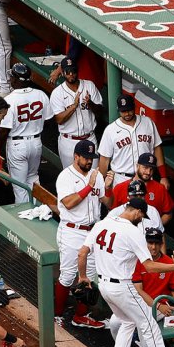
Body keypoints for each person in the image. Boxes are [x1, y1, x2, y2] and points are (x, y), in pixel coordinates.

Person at [77, 200, 174, 347]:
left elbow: (82, 253)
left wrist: (83, 276)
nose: (141, 220)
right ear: (137, 212)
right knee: (150, 327)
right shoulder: (132, 231)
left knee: (127, 321)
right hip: (123, 287)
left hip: (103, 286)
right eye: (142, 216)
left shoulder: (102, 223)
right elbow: (149, 266)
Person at [54, 140, 111, 329]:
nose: (89, 161)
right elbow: (69, 203)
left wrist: (108, 187)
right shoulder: (65, 177)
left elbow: (107, 202)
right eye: (86, 158)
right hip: (71, 230)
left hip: (92, 231)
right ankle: (56, 315)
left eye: (91, 158)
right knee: (68, 275)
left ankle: (80, 316)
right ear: (76, 156)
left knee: (90, 277)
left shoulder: (97, 176)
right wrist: (89, 186)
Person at [0, 64, 50, 205]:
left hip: (17, 144)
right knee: (33, 179)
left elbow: (4, 131)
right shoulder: (41, 95)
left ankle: (25, 220)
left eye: (12, 77)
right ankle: (39, 212)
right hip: (36, 142)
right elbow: (49, 119)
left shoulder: (10, 100)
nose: (11, 79)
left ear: (16, 79)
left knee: (20, 186)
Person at [98, 95, 165, 186]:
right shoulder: (110, 130)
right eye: (123, 111)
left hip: (146, 178)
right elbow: (104, 159)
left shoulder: (148, 122)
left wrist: (164, 176)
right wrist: (101, 183)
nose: (127, 114)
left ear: (134, 107)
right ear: (119, 110)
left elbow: (157, 148)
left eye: (129, 110)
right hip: (121, 179)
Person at [48, 57, 102, 170]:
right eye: (68, 72)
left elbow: (101, 112)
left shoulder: (89, 86)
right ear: (62, 73)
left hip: (89, 138)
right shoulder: (57, 93)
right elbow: (59, 119)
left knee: (93, 176)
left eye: (73, 71)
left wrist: (90, 104)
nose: (71, 74)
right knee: (71, 178)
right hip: (69, 141)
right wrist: (74, 106)